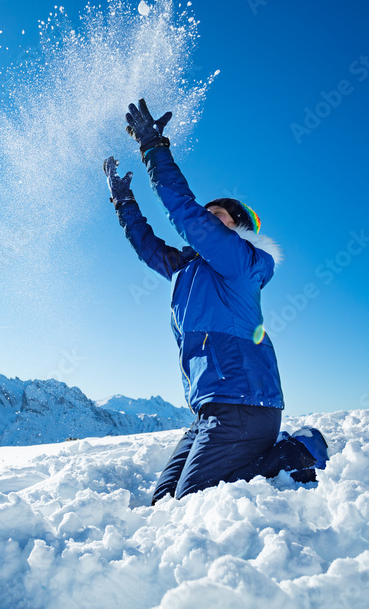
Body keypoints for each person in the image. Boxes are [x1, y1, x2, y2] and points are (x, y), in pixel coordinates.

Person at [103, 98, 329, 504]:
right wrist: (124, 204)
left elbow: (185, 213)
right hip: (209, 410)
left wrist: (154, 148)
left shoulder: (241, 262)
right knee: (163, 504)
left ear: (237, 229)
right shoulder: (188, 268)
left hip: (244, 403)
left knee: (193, 504)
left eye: (217, 218)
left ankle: (296, 452)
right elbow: (147, 247)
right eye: (207, 216)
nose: (207, 221)